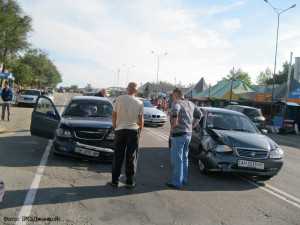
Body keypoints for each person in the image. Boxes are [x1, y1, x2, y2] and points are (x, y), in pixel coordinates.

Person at [109, 82, 144, 189]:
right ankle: (130, 181)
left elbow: (114, 114)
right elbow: (141, 121)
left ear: (127, 89)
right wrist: (139, 131)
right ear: (136, 91)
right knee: (131, 156)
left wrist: (115, 126)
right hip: (133, 131)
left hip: (120, 130)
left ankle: (115, 181)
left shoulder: (119, 99)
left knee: (118, 156)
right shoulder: (139, 102)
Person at [167, 88, 202, 189]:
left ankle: (176, 182)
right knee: (184, 158)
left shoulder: (177, 102)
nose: (172, 97)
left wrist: (174, 123)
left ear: (176, 94)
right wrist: (193, 125)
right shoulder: (191, 103)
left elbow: (175, 110)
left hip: (178, 134)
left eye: (173, 95)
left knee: (177, 159)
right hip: (188, 134)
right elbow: (200, 114)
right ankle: (184, 179)